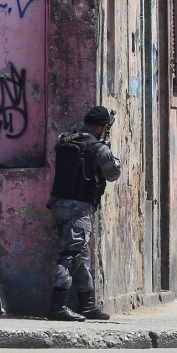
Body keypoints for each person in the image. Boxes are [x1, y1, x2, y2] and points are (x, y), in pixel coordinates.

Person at [46, 105, 121, 322]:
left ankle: (87, 304)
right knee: (70, 255)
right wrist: (107, 148)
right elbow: (113, 173)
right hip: (78, 208)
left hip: (59, 203)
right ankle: (57, 306)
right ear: (101, 127)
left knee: (81, 255)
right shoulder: (99, 149)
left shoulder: (65, 139)